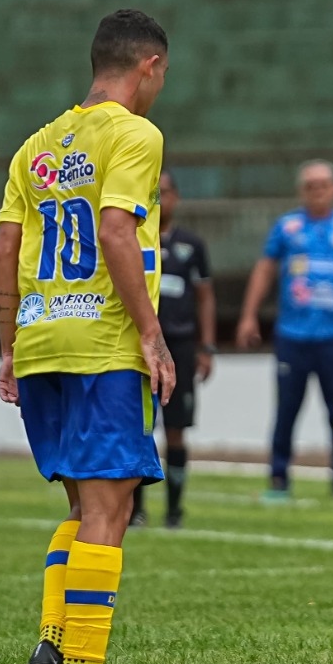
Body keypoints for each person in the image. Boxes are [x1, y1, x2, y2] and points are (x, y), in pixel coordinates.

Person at [0, 8, 173, 664]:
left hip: (40, 344)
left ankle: (55, 646)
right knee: (110, 509)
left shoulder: (37, 145)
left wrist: (9, 347)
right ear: (148, 67)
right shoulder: (135, 134)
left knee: (84, 508)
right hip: (101, 347)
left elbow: (5, 252)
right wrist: (152, 334)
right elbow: (115, 229)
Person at [237, 160, 333, 499]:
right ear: (302, 191)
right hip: (292, 336)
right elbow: (265, 270)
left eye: (323, 184)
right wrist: (248, 316)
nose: (318, 191)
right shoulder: (287, 228)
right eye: (311, 186)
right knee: (286, 410)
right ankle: (279, 478)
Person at [130, 169, 216, 529]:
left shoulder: (191, 245)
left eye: (164, 192)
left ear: (176, 197)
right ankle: (135, 510)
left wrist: (207, 346)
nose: (160, 199)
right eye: (154, 193)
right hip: (138, 347)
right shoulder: (130, 238)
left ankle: (175, 510)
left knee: (176, 429)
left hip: (179, 346)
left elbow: (205, 296)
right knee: (137, 428)